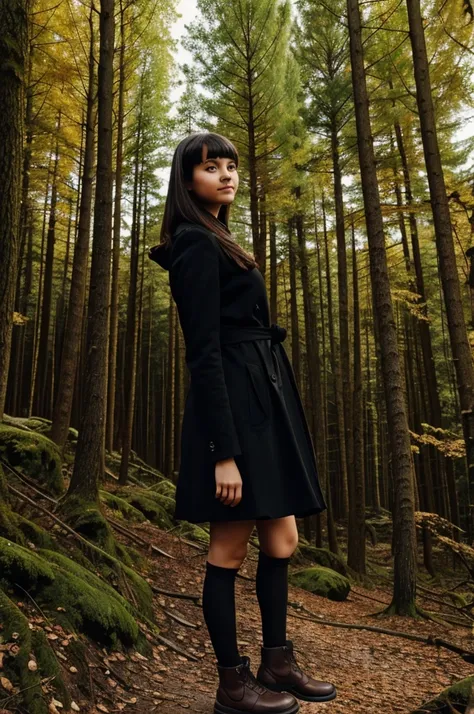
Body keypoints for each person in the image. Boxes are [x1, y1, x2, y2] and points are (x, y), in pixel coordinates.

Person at [149, 132, 337, 714]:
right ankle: (232, 684)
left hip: (264, 399)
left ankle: (276, 661)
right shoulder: (194, 245)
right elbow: (203, 352)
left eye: (231, 166)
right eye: (212, 167)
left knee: (283, 537)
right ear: (187, 180)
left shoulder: (218, 236)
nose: (226, 176)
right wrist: (221, 452)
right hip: (235, 406)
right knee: (229, 547)